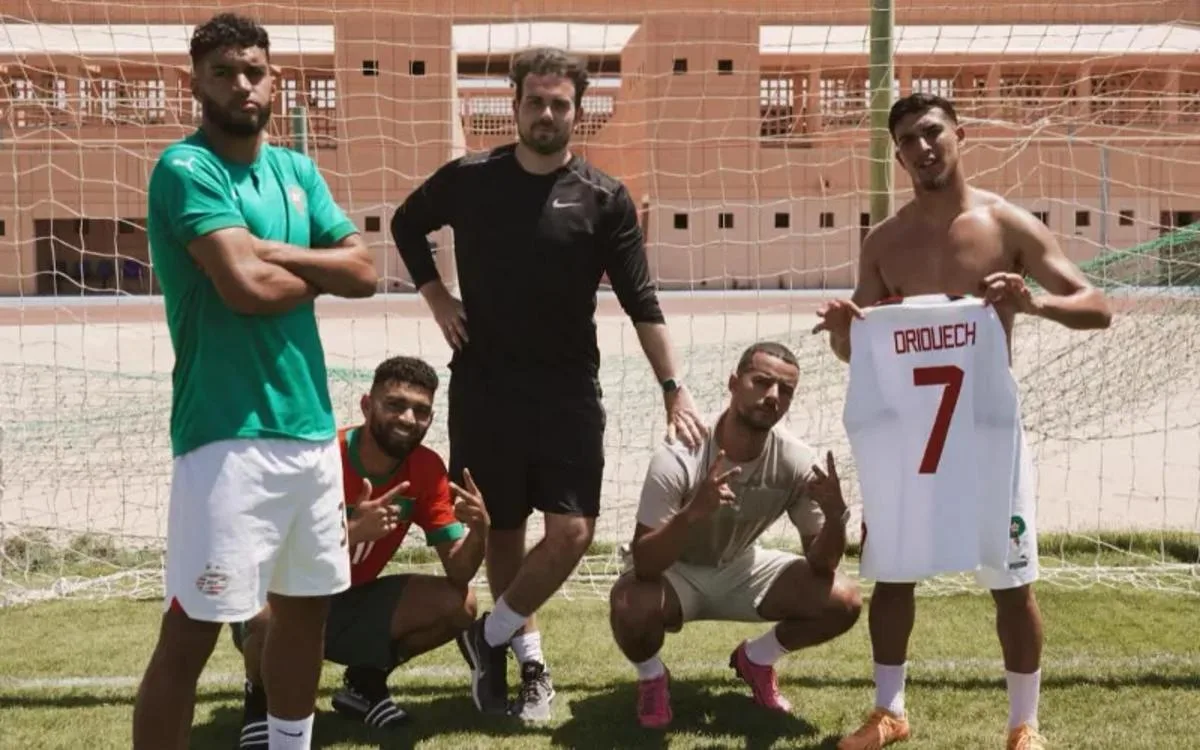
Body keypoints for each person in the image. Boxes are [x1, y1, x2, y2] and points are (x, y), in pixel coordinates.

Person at [390, 45, 706, 721]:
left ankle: (488, 635)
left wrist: (672, 385)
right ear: (515, 105)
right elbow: (405, 224)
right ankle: (527, 661)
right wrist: (438, 297)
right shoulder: (471, 179)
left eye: (559, 104)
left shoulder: (604, 198)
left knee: (572, 531)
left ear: (577, 112)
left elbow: (642, 300)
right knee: (503, 529)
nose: (546, 113)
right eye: (534, 101)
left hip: (567, 392)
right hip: (485, 386)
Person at [814, 92, 1112, 750]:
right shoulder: (884, 241)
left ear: (960, 135)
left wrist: (1033, 305)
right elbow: (855, 348)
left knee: (1011, 581)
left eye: (932, 133)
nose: (922, 148)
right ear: (898, 157)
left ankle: (1024, 724)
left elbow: (1097, 307)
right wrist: (841, 330)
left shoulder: (1007, 225)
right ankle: (889, 711)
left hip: (987, 436)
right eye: (908, 141)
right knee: (892, 573)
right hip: (908, 440)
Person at [132, 13, 378, 750]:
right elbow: (246, 290)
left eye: (253, 71)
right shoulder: (187, 168)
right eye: (223, 73)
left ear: (274, 79)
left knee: (305, 612)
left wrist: (276, 252)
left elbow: (366, 271)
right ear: (195, 84)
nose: (241, 84)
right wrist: (321, 271)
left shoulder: (298, 171)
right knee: (193, 630)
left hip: (310, 432)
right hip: (225, 436)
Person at [230, 356, 488, 748]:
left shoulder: (426, 468)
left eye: (420, 411)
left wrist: (481, 531)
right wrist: (350, 533)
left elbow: (459, 570)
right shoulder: (320, 458)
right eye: (395, 404)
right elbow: (264, 556)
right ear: (367, 405)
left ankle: (364, 684)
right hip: (280, 596)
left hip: (347, 603)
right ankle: (260, 698)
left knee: (460, 604)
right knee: (268, 615)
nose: (407, 418)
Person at [608, 341, 862, 728]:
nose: (773, 396)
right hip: (675, 572)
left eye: (785, 390)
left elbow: (821, 563)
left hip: (741, 566)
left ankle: (756, 660)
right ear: (733, 383)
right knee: (630, 603)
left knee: (842, 599)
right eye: (761, 382)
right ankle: (652, 677)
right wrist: (692, 514)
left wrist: (835, 519)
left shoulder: (796, 460)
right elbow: (644, 564)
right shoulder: (680, 454)